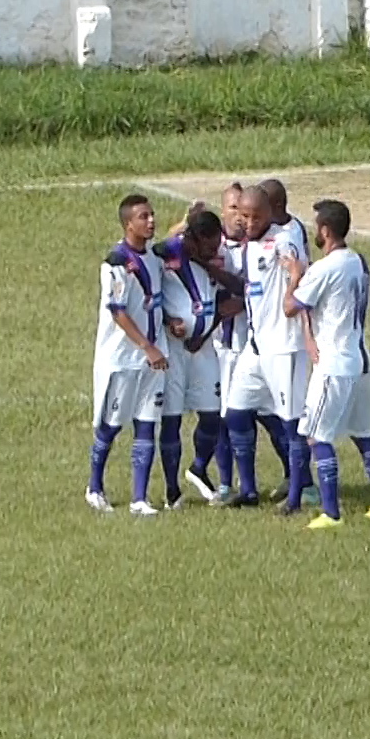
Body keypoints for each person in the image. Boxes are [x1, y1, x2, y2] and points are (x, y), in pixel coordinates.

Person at [285, 199, 370, 530]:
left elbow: (291, 307)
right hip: (360, 359)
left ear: (325, 230)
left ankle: (331, 512)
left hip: (333, 364)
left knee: (317, 437)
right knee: (363, 433)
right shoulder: (358, 261)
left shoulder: (325, 268)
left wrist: (295, 276)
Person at [221, 184, 311, 511]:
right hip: (256, 347)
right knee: (235, 413)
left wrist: (293, 289)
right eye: (244, 215)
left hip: (284, 347)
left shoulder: (281, 239)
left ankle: (299, 494)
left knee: (291, 421)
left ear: (269, 214)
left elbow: (296, 267)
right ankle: (248, 489)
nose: (248, 221)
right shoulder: (250, 245)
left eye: (255, 216)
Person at [87, 194, 169, 516]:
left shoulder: (152, 256)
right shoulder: (117, 263)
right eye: (144, 217)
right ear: (128, 224)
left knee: (148, 424)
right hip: (123, 360)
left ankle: (139, 499)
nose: (151, 221)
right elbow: (118, 313)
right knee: (111, 426)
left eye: (152, 215)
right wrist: (148, 347)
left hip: (152, 361)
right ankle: (94, 487)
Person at [157, 207, 244, 507]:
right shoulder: (166, 254)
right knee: (172, 419)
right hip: (174, 351)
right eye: (208, 247)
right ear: (191, 239)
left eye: (217, 245)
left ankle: (198, 468)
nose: (214, 251)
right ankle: (172, 491)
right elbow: (150, 294)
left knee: (211, 417)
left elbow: (234, 292)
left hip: (203, 350)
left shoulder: (213, 260)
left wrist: (210, 267)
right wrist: (169, 321)